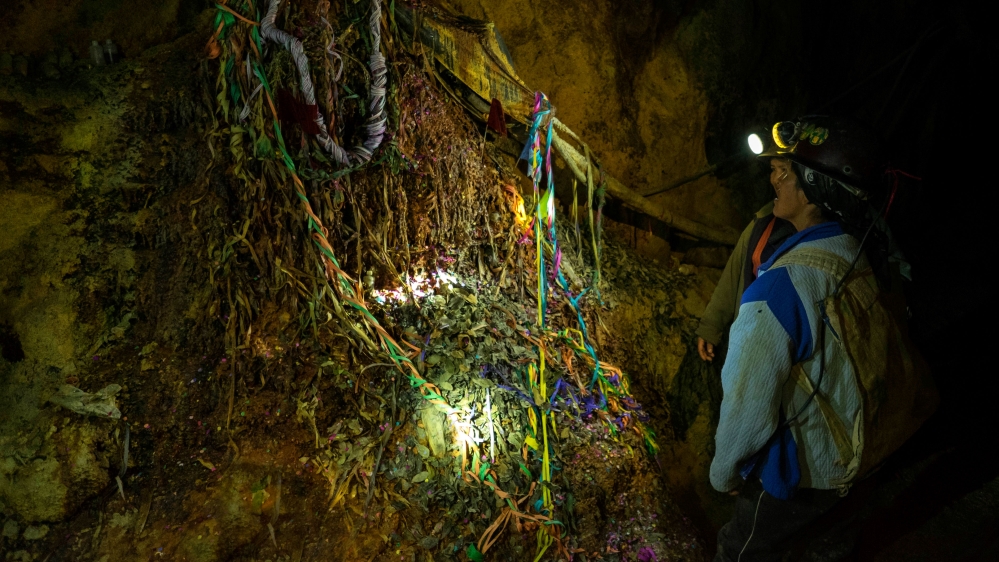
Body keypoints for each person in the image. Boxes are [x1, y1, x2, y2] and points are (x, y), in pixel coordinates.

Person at [709, 117, 905, 562]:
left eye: (787, 171)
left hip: (796, 482)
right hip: (853, 466)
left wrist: (724, 473)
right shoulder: (849, 251)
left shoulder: (778, 288)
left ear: (816, 187)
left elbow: (747, 405)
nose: (773, 177)